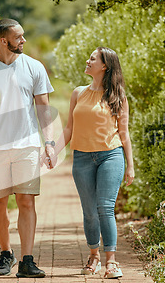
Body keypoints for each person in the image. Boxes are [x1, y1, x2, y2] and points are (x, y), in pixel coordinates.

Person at [0, 18, 56, 278]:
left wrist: (49, 143)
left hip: (27, 145)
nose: (24, 41)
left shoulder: (34, 67)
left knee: (26, 201)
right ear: (3, 40)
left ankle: (27, 260)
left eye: (24, 36)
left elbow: (44, 110)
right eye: (18, 37)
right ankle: (6, 252)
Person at [42, 47, 134, 279]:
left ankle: (111, 261)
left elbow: (124, 134)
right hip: (82, 158)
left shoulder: (118, 96)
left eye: (93, 59)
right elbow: (69, 128)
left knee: (105, 207)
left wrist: (130, 166)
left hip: (110, 156)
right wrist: (54, 152)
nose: (88, 60)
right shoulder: (78, 93)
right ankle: (93, 255)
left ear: (104, 66)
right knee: (89, 211)